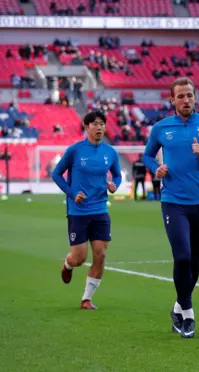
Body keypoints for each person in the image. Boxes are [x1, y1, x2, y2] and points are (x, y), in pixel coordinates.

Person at [143, 77, 199, 338]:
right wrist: (154, 168)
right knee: (182, 256)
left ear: (195, 97)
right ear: (172, 100)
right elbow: (147, 155)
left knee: (194, 262)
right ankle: (189, 314)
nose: (186, 100)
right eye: (180, 96)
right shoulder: (161, 128)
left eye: (189, 95)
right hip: (173, 202)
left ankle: (178, 307)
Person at [52, 111, 122, 310]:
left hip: (100, 209)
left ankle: (86, 299)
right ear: (86, 127)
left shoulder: (110, 152)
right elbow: (57, 174)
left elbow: (117, 175)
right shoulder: (75, 150)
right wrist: (72, 193)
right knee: (79, 257)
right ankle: (68, 264)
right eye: (95, 124)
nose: (99, 127)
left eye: (102, 124)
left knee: (100, 255)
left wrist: (114, 185)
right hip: (78, 211)